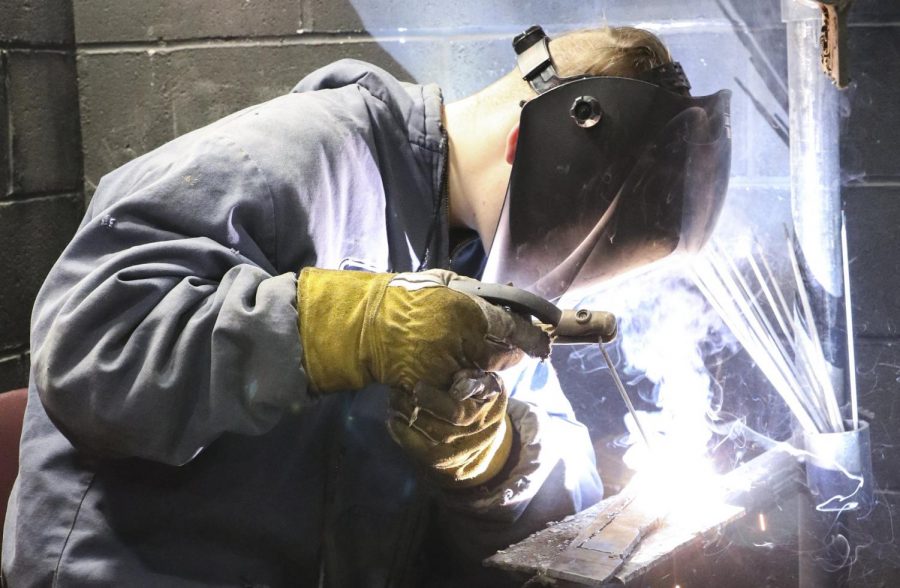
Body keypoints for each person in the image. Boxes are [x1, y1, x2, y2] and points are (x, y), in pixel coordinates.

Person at [2, 24, 729, 587]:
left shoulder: (478, 261)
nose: (559, 286)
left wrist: (495, 457)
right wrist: (342, 326)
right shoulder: (299, 155)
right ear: (521, 143)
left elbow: (560, 502)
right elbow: (89, 350)